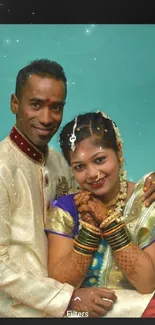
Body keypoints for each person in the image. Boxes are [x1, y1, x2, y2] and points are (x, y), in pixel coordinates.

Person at [0, 60, 120, 318]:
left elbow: (104, 189)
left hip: (67, 295)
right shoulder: (2, 167)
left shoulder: (61, 163)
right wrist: (67, 298)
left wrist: (148, 185)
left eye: (56, 108)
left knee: (136, 305)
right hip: (16, 309)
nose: (46, 118)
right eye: (36, 104)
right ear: (14, 104)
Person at [45, 111, 155, 317]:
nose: (93, 174)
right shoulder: (66, 209)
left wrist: (107, 220)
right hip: (83, 314)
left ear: (119, 151)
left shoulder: (147, 198)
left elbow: (147, 283)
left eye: (100, 160)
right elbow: (60, 286)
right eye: (79, 167)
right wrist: (88, 229)